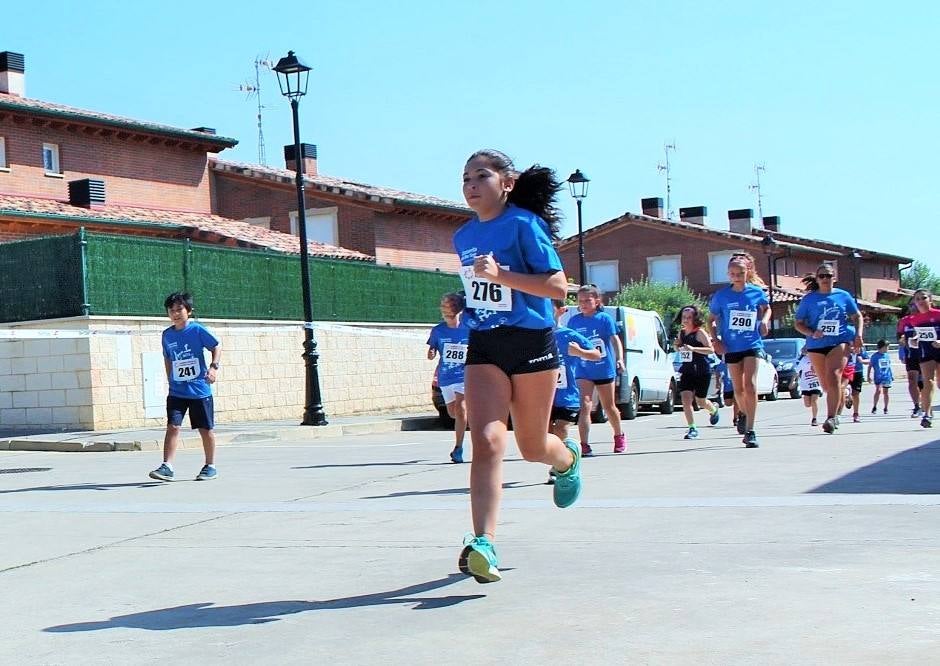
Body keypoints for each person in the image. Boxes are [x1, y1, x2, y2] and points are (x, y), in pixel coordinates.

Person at [453, 149, 581, 584]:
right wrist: (469, 303)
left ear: (507, 183)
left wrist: (501, 276)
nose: (471, 185)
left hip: (531, 342)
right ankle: (483, 542)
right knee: (487, 440)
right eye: (465, 178)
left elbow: (557, 287)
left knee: (531, 446)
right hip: (485, 343)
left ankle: (566, 460)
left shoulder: (525, 225)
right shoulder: (463, 236)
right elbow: (481, 289)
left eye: (480, 176)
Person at [149, 292, 221, 482]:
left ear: (188, 311)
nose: (175, 314)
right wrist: (170, 378)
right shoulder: (167, 335)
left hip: (199, 390)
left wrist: (213, 367)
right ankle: (167, 466)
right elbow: (168, 357)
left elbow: (216, 346)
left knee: (205, 429)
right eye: (171, 310)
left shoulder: (197, 330)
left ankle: (210, 466)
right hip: (177, 391)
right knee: (173, 426)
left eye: (179, 309)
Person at [793, 263, 864, 434]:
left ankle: (831, 418)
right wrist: (812, 332)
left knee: (834, 376)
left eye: (829, 276)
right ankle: (841, 398)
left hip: (839, 341)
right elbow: (798, 323)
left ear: (835, 278)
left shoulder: (843, 296)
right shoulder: (809, 299)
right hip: (816, 345)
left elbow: (857, 316)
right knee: (827, 386)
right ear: (817, 279)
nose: (825, 279)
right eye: (822, 276)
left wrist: (858, 335)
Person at [708, 255, 770, 448]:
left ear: (747, 272)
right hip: (731, 346)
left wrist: (764, 321)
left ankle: (750, 430)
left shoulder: (756, 292)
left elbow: (766, 308)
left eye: (740, 273)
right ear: (728, 274)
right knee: (738, 389)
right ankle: (742, 411)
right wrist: (716, 340)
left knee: (750, 385)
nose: (737, 277)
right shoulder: (721, 296)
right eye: (733, 274)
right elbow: (710, 320)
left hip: (752, 344)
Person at [566, 284, 626, 455]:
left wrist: (620, 359)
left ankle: (619, 435)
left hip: (603, 368)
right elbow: (568, 341)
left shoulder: (604, 319)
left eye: (588, 300)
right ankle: (584, 444)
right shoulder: (574, 321)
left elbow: (615, 340)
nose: (583, 304)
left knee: (609, 406)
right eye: (580, 301)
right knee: (585, 405)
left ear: (597, 301)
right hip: (583, 369)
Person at [547, 299, 602, 484]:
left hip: (567, 394)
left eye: (550, 306)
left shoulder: (569, 335)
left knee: (561, 428)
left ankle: (557, 467)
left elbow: (596, 354)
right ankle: (564, 457)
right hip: (543, 395)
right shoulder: (535, 335)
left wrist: (580, 352)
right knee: (547, 435)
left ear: (561, 310)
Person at [427, 292, 470, 463]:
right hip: (446, 376)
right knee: (453, 413)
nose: (448, 319)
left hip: (464, 375)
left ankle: (458, 448)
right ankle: (471, 415)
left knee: (461, 409)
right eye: (445, 315)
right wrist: (431, 352)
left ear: (459, 312)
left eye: (451, 316)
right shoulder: (438, 330)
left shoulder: (469, 329)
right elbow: (432, 348)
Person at [674, 305, 720, 439]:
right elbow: (679, 349)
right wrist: (677, 346)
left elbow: (711, 350)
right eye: (684, 317)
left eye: (689, 317)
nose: (686, 320)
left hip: (701, 370)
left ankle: (713, 410)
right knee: (686, 400)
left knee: (700, 401)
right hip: (687, 370)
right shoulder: (682, 333)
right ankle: (692, 428)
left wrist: (693, 349)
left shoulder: (700, 333)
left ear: (695, 319)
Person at [901, 289, 940, 428]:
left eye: (923, 298)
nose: (920, 301)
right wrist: (914, 340)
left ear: (930, 300)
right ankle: (927, 414)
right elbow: (920, 334)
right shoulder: (914, 319)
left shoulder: (938, 314)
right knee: (927, 381)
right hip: (926, 351)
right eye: (917, 299)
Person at [897, 298, 924, 418]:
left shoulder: (927, 318)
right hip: (911, 355)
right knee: (912, 380)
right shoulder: (904, 321)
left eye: (915, 304)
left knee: (925, 382)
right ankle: (917, 406)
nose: (913, 307)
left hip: (926, 354)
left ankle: (926, 405)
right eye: (911, 304)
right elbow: (899, 335)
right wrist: (901, 340)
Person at [795, 348, 822, 426]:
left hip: (816, 383)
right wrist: (793, 381)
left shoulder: (818, 358)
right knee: (807, 404)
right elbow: (797, 371)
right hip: (806, 384)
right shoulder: (804, 359)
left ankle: (814, 419)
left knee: (814, 401)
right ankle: (814, 410)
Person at [867, 339, 894, 414]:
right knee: (878, 390)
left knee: (886, 392)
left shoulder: (887, 356)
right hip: (878, 377)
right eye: (886, 347)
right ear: (882, 347)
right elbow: (870, 366)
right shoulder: (875, 356)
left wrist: (891, 375)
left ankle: (886, 408)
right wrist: (868, 376)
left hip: (887, 377)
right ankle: (874, 406)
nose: (887, 349)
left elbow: (889, 366)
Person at [847, 347, 868, 422]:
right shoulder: (845, 345)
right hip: (846, 371)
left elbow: (868, 360)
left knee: (856, 394)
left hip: (857, 372)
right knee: (845, 391)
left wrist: (862, 361)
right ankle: (848, 398)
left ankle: (856, 413)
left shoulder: (861, 348)